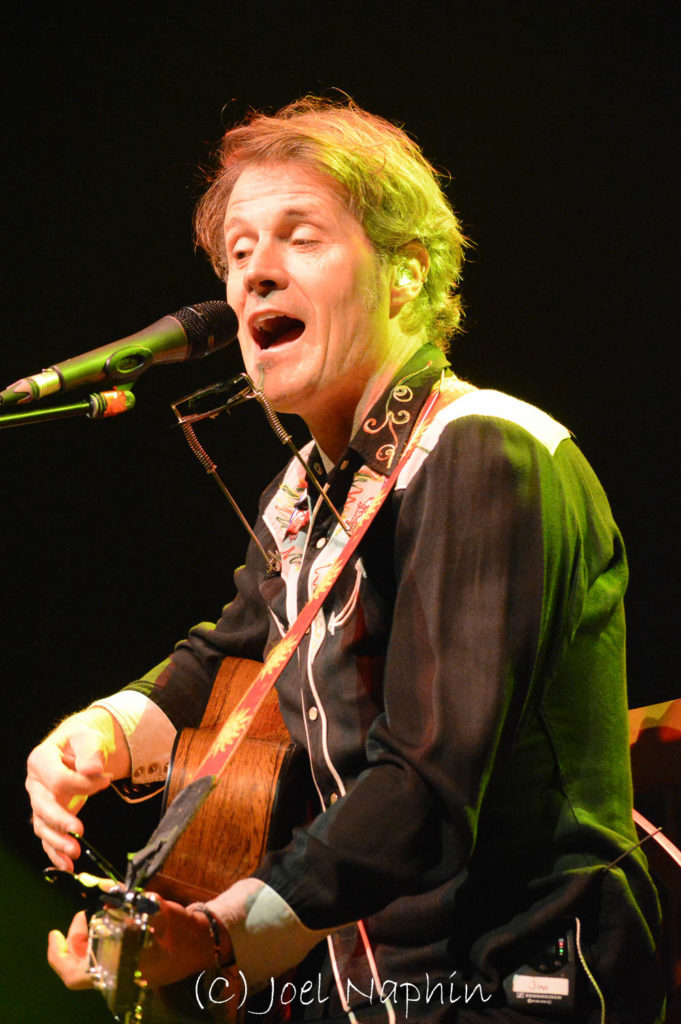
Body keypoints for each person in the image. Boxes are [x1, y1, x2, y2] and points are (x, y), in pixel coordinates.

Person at [26, 97, 665, 1023]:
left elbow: (430, 780)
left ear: (404, 274)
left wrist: (218, 937)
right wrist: (101, 734)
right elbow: (230, 655)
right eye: (237, 253)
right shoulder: (303, 490)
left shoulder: (483, 453)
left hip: (526, 974)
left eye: (299, 238)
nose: (254, 278)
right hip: (376, 984)